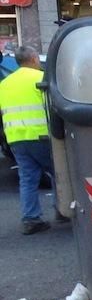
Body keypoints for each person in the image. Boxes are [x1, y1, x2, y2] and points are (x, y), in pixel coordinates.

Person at [0, 46, 61, 234]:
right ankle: (63, 210)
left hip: (16, 139)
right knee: (59, 174)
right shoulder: (39, 78)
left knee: (27, 179)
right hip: (41, 136)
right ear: (34, 59)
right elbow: (53, 106)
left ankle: (31, 219)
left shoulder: (5, 84)